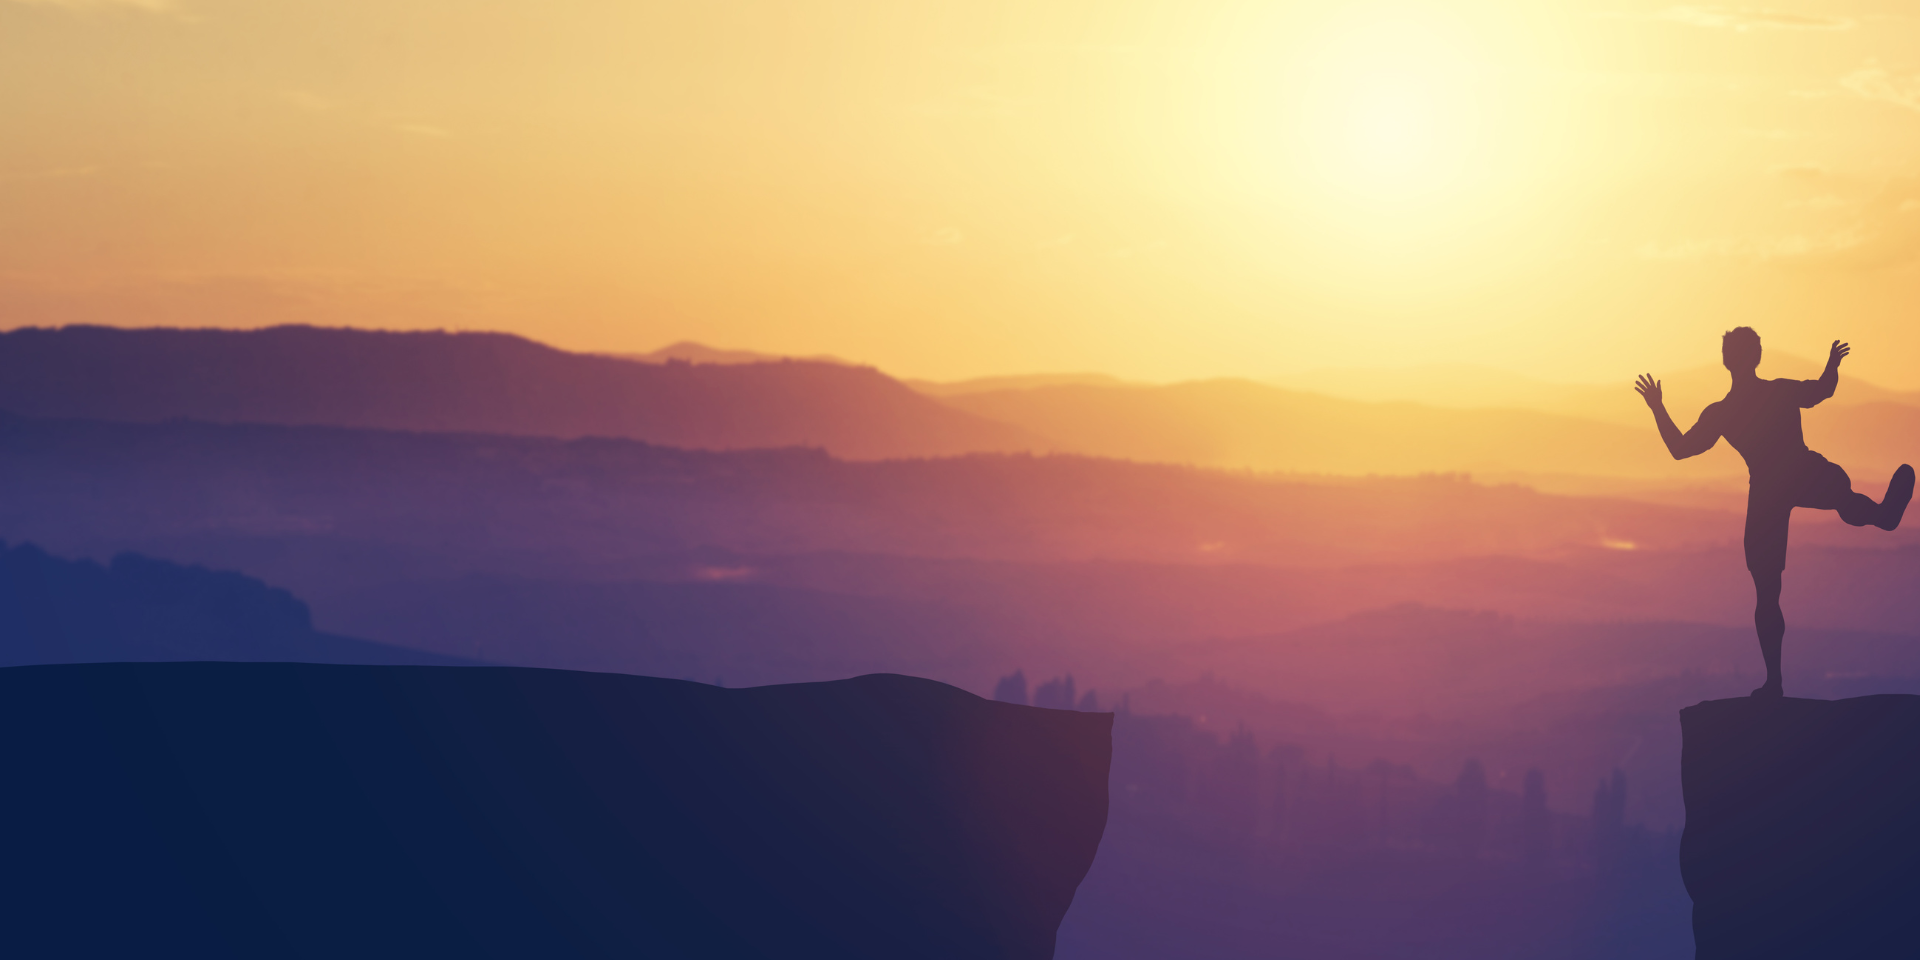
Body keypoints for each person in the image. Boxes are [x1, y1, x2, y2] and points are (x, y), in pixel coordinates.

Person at [1635, 328, 1913, 698]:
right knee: (1842, 497)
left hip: (1767, 491)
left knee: (1767, 593)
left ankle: (1774, 682)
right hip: (1799, 471)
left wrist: (1657, 407)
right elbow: (1822, 390)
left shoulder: (1723, 412)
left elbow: (1680, 448)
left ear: (1726, 361)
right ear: (1757, 356)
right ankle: (1882, 515)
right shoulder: (1777, 391)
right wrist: (1832, 365)